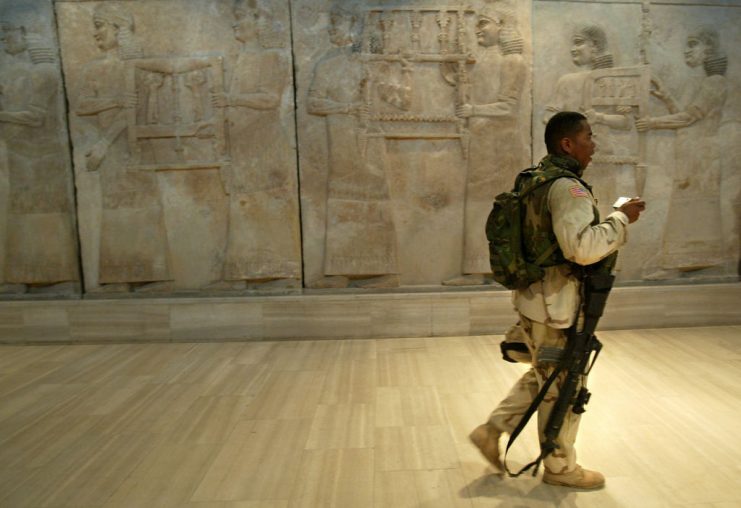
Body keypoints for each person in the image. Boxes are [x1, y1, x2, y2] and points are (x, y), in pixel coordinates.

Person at [469, 111, 645, 489]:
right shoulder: (569, 189)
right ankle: (561, 468)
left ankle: (492, 429)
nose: (593, 145)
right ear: (567, 143)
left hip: (534, 300)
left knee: (545, 374)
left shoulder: (534, 181)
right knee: (565, 385)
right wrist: (621, 218)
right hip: (557, 305)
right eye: (588, 137)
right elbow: (581, 248)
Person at [76, 3, 172, 293]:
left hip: (134, 146)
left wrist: (104, 142)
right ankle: (119, 275)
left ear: (119, 29)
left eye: (100, 25)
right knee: (115, 209)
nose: (95, 34)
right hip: (112, 150)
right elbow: (82, 106)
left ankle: (150, 275)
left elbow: (136, 110)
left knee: (141, 206)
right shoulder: (93, 69)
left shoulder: (138, 66)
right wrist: (115, 102)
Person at [307, 4, 399, 289]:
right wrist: (345, 107)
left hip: (368, 141)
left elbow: (396, 99)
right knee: (343, 202)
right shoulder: (326, 64)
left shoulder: (372, 63)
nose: (332, 30)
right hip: (342, 142)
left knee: (375, 200)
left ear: (353, 28)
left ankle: (384, 272)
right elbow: (314, 102)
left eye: (337, 24)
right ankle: (341, 270)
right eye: (331, 24)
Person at [211, 0, 302, 289]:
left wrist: (231, 100)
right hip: (242, 143)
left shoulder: (271, 59)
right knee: (244, 205)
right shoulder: (237, 59)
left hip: (264, 141)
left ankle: (279, 272)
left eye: (241, 17)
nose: (235, 23)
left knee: (267, 203)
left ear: (259, 21)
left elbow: (269, 99)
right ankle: (242, 273)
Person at [441, 6, 528, 286]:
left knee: (498, 207)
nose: (479, 29)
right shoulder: (487, 59)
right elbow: (465, 84)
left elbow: (509, 107)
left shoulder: (513, 61)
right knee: (479, 206)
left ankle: (497, 270)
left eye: (484, 24)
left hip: (502, 146)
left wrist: (473, 110)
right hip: (483, 142)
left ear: (502, 27)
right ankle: (478, 269)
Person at [636, 27, 728, 276]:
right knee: (685, 207)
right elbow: (686, 113)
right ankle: (682, 261)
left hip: (702, 156)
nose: (687, 50)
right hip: (693, 152)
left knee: (695, 209)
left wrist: (652, 122)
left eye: (693, 44)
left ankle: (695, 261)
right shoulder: (705, 82)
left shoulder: (715, 82)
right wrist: (665, 94)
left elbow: (688, 117)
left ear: (707, 50)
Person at [0, 18, 78, 293]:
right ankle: (21, 276)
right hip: (20, 155)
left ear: (24, 32)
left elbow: (34, 116)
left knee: (45, 216)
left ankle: (56, 277)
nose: (4, 38)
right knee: (21, 215)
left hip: (45, 157)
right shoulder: (13, 73)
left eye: (7, 32)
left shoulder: (44, 72)